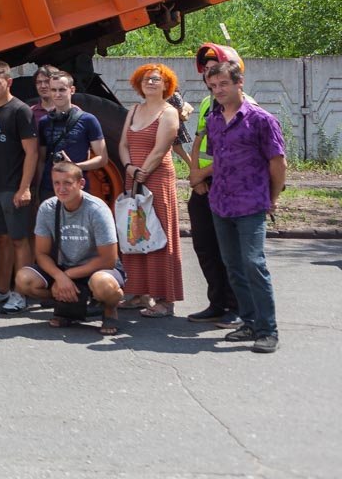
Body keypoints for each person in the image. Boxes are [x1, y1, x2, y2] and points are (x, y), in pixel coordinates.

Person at [203, 61, 286, 354]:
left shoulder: (261, 119)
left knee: (253, 264)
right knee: (234, 266)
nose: (218, 91)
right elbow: (217, 160)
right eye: (213, 87)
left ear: (239, 83)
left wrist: (272, 198)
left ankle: (267, 330)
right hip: (221, 203)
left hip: (251, 203)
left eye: (223, 84)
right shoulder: (213, 119)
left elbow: (278, 164)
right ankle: (249, 322)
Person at [15, 161, 126, 336]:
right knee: (23, 280)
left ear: (81, 184)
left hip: (96, 269)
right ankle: (66, 307)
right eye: (56, 183)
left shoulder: (97, 209)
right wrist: (59, 276)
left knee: (104, 286)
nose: (61, 189)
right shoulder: (48, 208)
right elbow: (41, 253)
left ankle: (109, 309)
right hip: (64, 266)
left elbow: (108, 259)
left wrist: (66, 277)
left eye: (67, 183)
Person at [185, 43, 245, 327]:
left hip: (231, 181)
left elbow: (236, 154)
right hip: (206, 179)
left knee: (229, 250)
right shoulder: (209, 103)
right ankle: (216, 302)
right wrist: (196, 175)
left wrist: (202, 173)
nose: (210, 77)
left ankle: (236, 307)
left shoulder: (248, 105)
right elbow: (198, 141)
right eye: (207, 72)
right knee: (205, 245)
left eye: (216, 70)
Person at [118, 63, 184, 317]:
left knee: (160, 236)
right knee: (136, 235)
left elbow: (160, 149)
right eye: (146, 79)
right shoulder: (134, 110)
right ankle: (138, 294)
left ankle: (165, 299)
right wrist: (129, 167)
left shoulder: (169, 112)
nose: (151, 82)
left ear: (166, 84)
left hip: (156, 178)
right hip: (134, 176)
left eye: (157, 79)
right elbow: (123, 143)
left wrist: (142, 171)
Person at [0, 61, 38, 314]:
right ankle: (1, 290)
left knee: (19, 240)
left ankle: (20, 293)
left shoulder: (21, 111)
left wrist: (25, 188)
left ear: (8, 82)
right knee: (0, 239)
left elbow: (31, 153)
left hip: (13, 188)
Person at [36, 71, 108, 201]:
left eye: (62, 90)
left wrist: (75, 166)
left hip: (76, 188)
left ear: (72, 90)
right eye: (53, 90)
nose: (57, 94)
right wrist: (37, 190)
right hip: (49, 189)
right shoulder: (44, 122)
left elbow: (102, 159)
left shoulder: (88, 120)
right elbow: (41, 160)